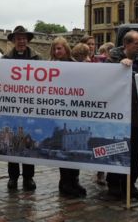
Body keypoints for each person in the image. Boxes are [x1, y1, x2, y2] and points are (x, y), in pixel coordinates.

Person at [105, 30, 138, 200]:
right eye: (137, 43)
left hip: (137, 116)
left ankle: (130, 184)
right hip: (118, 117)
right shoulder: (112, 60)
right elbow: (105, 81)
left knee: (134, 153)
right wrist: (119, 68)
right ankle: (114, 184)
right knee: (117, 151)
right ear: (126, 44)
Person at [2, 25, 41, 191]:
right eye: (18, 38)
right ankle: (12, 177)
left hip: (30, 107)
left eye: (24, 38)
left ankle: (28, 178)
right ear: (13, 41)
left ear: (27, 40)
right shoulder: (4, 60)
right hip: (12, 107)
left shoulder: (37, 59)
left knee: (27, 143)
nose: (21, 41)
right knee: (12, 143)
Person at [51, 37, 87, 198]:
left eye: (60, 48)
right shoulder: (49, 67)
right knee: (64, 151)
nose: (58, 52)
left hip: (74, 110)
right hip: (59, 110)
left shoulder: (76, 66)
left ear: (66, 49)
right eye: (55, 49)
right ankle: (65, 183)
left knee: (73, 153)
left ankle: (74, 180)